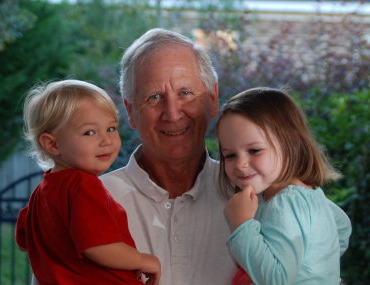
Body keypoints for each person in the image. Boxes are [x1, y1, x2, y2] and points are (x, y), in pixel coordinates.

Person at [99, 28, 236, 285]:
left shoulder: (252, 196)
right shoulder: (92, 200)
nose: (172, 114)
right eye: (154, 97)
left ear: (213, 98)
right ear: (130, 112)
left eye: (185, 93)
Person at [16, 79, 161, 285]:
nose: (106, 140)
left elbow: (24, 242)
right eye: (89, 132)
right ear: (52, 144)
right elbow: (97, 246)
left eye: (111, 128)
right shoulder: (82, 184)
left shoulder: (41, 193)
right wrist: (143, 260)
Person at [217, 87, 352, 284]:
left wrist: (242, 226)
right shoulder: (311, 194)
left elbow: (276, 279)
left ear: (290, 145)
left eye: (254, 150)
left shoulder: (284, 203)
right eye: (230, 155)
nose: (240, 164)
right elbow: (342, 227)